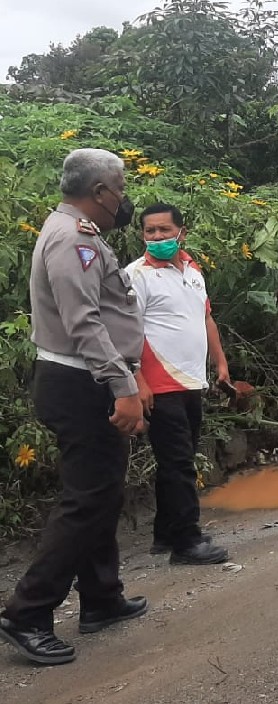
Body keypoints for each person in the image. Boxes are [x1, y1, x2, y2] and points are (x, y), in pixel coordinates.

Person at [0, 148, 148, 666]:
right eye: (121, 187)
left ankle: (101, 598)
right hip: (80, 381)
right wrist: (122, 384)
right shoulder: (73, 239)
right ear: (101, 191)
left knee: (103, 493)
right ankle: (28, 612)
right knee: (87, 499)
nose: (124, 197)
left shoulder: (79, 233)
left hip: (88, 378)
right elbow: (84, 322)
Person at [125, 203, 230, 565]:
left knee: (177, 460)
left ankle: (165, 534)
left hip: (192, 382)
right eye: (149, 232)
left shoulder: (193, 270)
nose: (156, 238)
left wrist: (221, 363)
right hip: (159, 384)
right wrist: (137, 381)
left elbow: (206, 319)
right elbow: (126, 332)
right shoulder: (136, 276)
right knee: (179, 462)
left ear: (181, 233)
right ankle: (187, 542)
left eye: (164, 231)